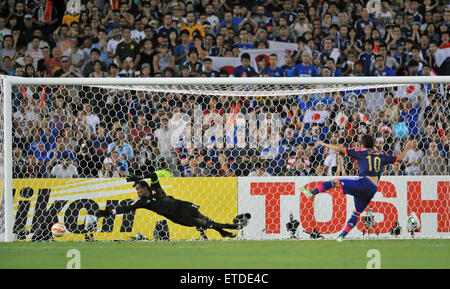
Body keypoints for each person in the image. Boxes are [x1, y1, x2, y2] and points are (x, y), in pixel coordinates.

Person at [301, 135, 413, 241]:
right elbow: (399, 158)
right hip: (373, 188)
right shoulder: (382, 154)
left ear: (362, 145)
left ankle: (312, 193)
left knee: (334, 182)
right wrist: (407, 148)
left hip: (364, 182)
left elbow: (340, 149)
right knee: (356, 212)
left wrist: (325, 144)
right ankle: (341, 236)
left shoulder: (361, 152)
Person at [95, 172, 249, 239]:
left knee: (204, 218)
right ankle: (232, 227)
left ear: (145, 188)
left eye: (139, 189)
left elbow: (154, 176)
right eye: (137, 190)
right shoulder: (141, 202)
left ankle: (223, 232)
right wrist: (107, 212)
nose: (138, 192)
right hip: (175, 216)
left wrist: (141, 177)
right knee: (203, 223)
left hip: (180, 205)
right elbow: (124, 208)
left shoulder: (155, 188)